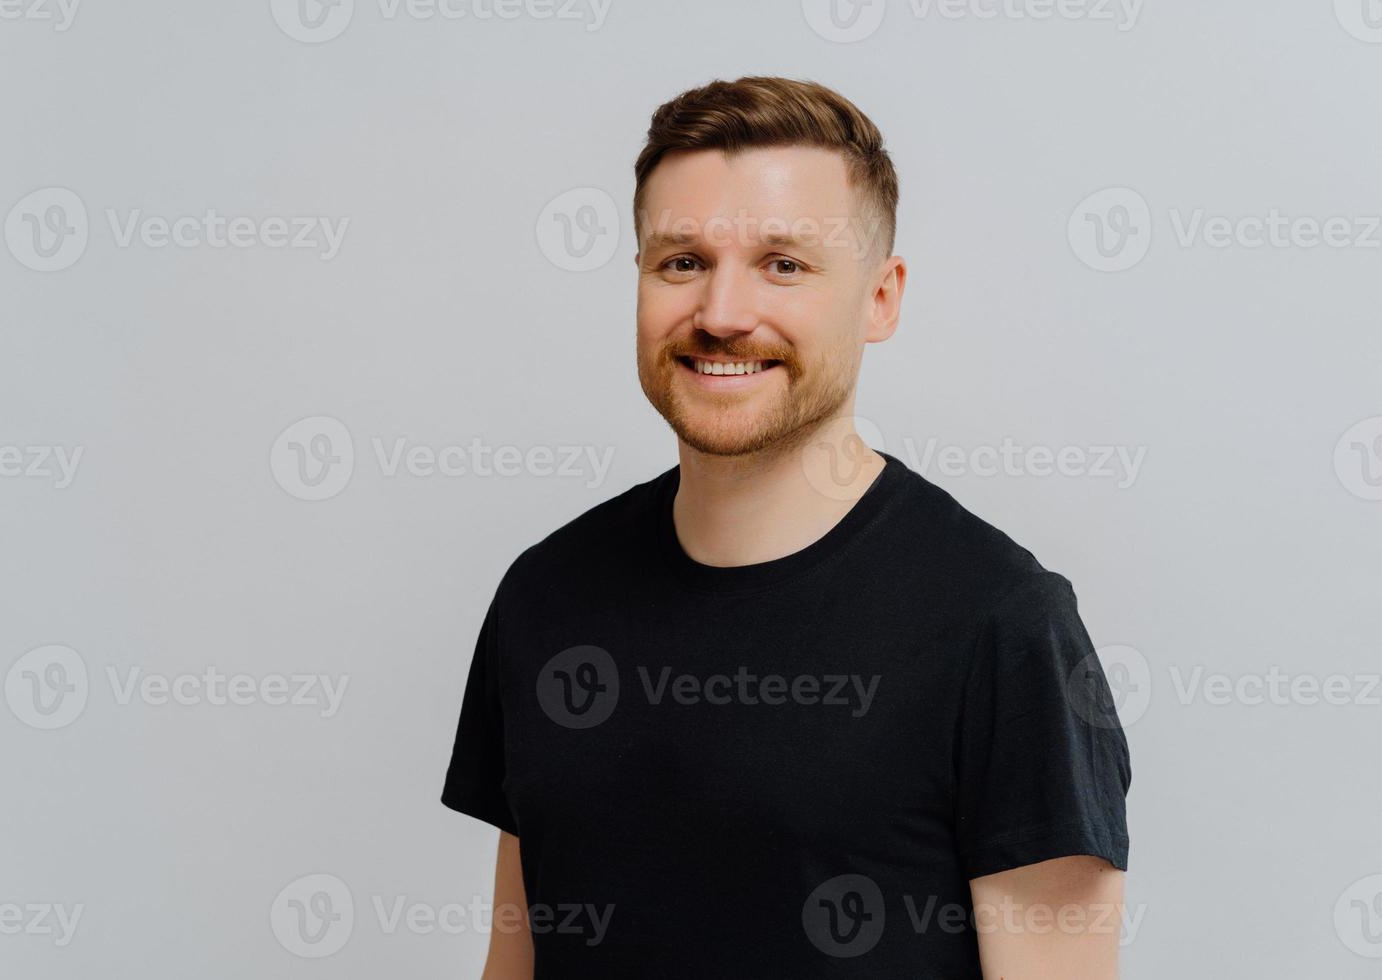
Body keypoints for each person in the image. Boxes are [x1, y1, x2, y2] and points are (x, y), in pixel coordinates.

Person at [441, 74, 1131, 979]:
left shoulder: (1002, 626)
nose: (722, 314)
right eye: (681, 261)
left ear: (880, 299)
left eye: (785, 264)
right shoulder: (545, 594)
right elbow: (516, 963)